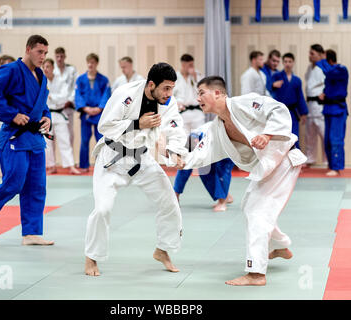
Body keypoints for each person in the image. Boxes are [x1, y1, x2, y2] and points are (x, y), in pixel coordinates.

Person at [184, 76, 307, 286]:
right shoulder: (216, 128)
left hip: (284, 159)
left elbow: (277, 109)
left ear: (218, 93)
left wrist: (267, 134)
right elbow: (200, 154)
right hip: (267, 167)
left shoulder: (244, 103)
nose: (198, 98)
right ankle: (280, 245)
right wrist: (178, 160)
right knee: (250, 206)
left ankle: (256, 274)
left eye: (201, 92)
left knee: (258, 212)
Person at [84, 63, 187, 276]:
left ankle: (163, 249)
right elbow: (104, 125)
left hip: (141, 159)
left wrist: (175, 152)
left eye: (172, 88)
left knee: (169, 201)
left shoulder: (168, 102)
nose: (169, 93)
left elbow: (175, 129)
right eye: (166, 88)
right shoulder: (125, 94)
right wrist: (137, 123)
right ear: (151, 84)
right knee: (102, 209)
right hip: (112, 159)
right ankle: (92, 257)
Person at [0, 35, 54, 246]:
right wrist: (12, 114)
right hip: (14, 137)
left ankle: (31, 233)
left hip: (34, 139)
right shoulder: (11, 70)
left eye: (45, 53)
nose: (43, 57)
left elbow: (42, 103)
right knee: (14, 182)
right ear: (28, 49)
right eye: (39, 52)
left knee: (37, 186)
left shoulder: (41, 76)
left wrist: (47, 117)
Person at [172, 54, 233, 210]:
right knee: (188, 155)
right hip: (189, 122)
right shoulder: (177, 78)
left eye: (201, 93)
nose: (199, 97)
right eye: (198, 93)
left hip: (203, 122)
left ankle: (223, 196)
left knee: (218, 162)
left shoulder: (200, 79)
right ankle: (176, 193)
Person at [42, 58, 80, 175]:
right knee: (48, 142)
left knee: (65, 141)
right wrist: (53, 98)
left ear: (53, 68)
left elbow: (64, 97)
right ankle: (51, 166)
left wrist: (51, 97)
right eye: (44, 67)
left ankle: (70, 166)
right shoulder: (41, 82)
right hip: (47, 115)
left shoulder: (61, 81)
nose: (46, 69)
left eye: (48, 66)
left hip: (60, 113)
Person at [75, 53, 111, 172]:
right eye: (89, 62)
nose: (90, 64)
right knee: (84, 140)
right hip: (86, 112)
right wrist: (86, 108)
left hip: (99, 113)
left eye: (93, 62)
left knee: (100, 140)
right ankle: (84, 166)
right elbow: (78, 95)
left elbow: (106, 95)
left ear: (97, 63)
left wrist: (99, 108)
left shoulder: (104, 80)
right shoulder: (80, 79)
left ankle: (101, 165)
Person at [316, 49, 349, 177]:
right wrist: (324, 94)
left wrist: (320, 60)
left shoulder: (341, 69)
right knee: (328, 141)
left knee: (336, 140)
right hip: (328, 109)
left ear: (329, 60)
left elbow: (329, 72)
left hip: (338, 110)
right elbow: (329, 85)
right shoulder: (330, 74)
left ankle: (337, 167)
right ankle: (331, 165)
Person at [271, 53, 308, 148]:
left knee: (294, 136)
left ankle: (296, 161)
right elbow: (267, 90)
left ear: (293, 63)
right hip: (280, 112)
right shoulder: (276, 76)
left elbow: (300, 97)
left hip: (293, 112)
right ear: (283, 63)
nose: (287, 64)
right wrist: (272, 85)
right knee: (281, 136)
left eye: (290, 61)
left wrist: (303, 113)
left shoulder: (297, 80)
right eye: (286, 61)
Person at [304, 44, 327, 166]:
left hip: (320, 106)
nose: (310, 56)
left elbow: (330, 83)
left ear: (320, 54)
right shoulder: (310, 68)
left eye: (312, 53)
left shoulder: (325, 67)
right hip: (310, 105)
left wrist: (325, 93)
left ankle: (327, 160)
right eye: (309, 53)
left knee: (324, 134)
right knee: (310, 135)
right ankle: (310, 159)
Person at [54, 47, 77, 147]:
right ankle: (52, 161)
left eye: (61, 56)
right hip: (54, 107)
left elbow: (75, 87)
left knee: (69, 133)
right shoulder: (51, 69)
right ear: (55, 57)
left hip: (68, 106)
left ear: (65, 56)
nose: (59, 58)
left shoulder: (71, 69)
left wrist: (70, 100)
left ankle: (69, 159)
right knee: (52, 134)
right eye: (57, 56)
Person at [0, 55, 16, 135]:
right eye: (3, 65)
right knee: (1, 145)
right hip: (2, 120)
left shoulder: (19, 82)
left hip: (17, 120)